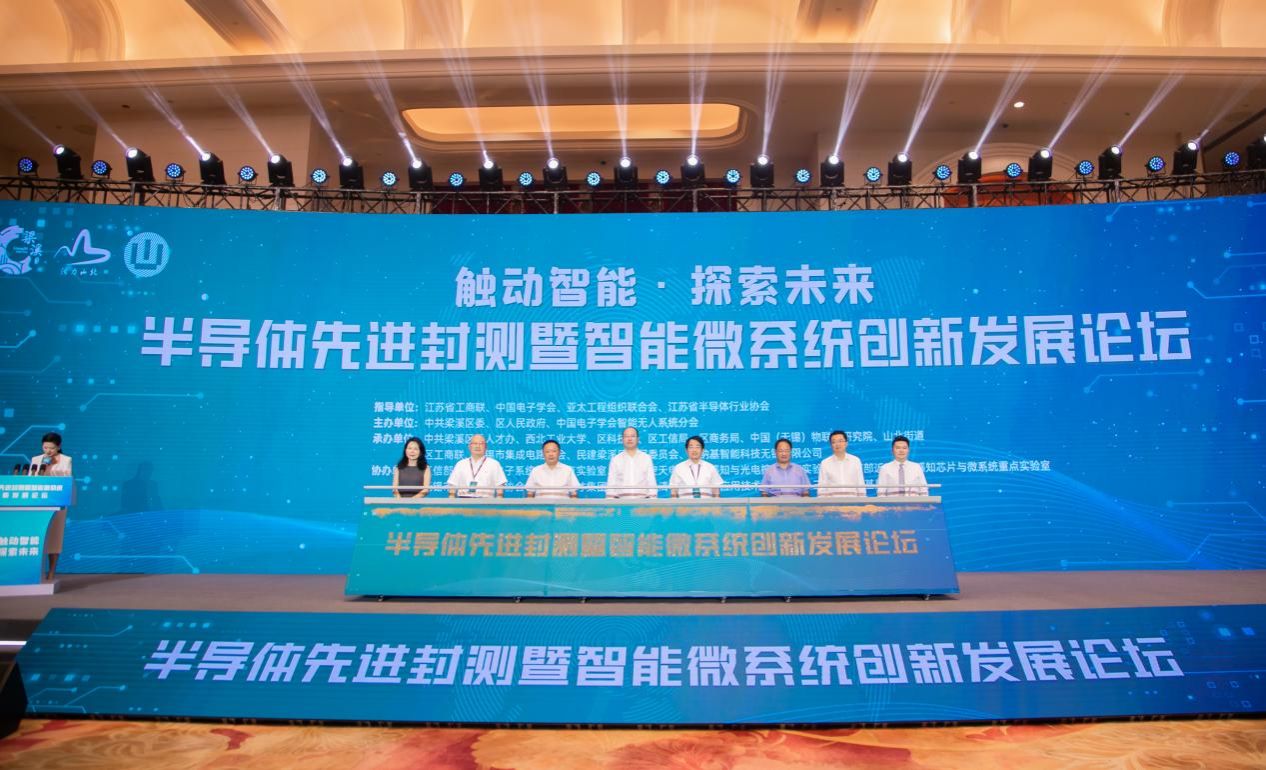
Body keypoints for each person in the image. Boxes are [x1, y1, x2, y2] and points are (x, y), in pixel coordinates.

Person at [29, 431, 72, 580]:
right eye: (45, 447)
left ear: (58, 447)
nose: (48, 451)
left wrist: (52, 467)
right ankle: (35, 570)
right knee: (37, 536)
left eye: (52, 448)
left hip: (57, 502)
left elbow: (67, 480)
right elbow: (31, 479)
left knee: (55, 537)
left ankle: (52, 570)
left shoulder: (66, 460)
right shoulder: (36, 459)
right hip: (39, 502)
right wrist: (43, 467)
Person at [605, 426, 657, 498]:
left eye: (632, 436)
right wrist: (610, 502)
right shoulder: (616, 459)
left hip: (642, 501)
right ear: (622, 439)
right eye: (626, 436)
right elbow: (611, 483)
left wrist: (652, 501)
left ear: (638, 439)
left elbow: (651, 482)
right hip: (621, 501)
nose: (629, 439)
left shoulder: (646, 458)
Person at [817, 429, 866, 497]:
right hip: (832, 502)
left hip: (853, 501)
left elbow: (860, 484)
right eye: (834, 442)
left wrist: (862, 500)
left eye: (840, 441)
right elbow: (822, 488)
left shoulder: (855, 461)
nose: (837, 444)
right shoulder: (825, 463)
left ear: (846, 443)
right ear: (831, 445)